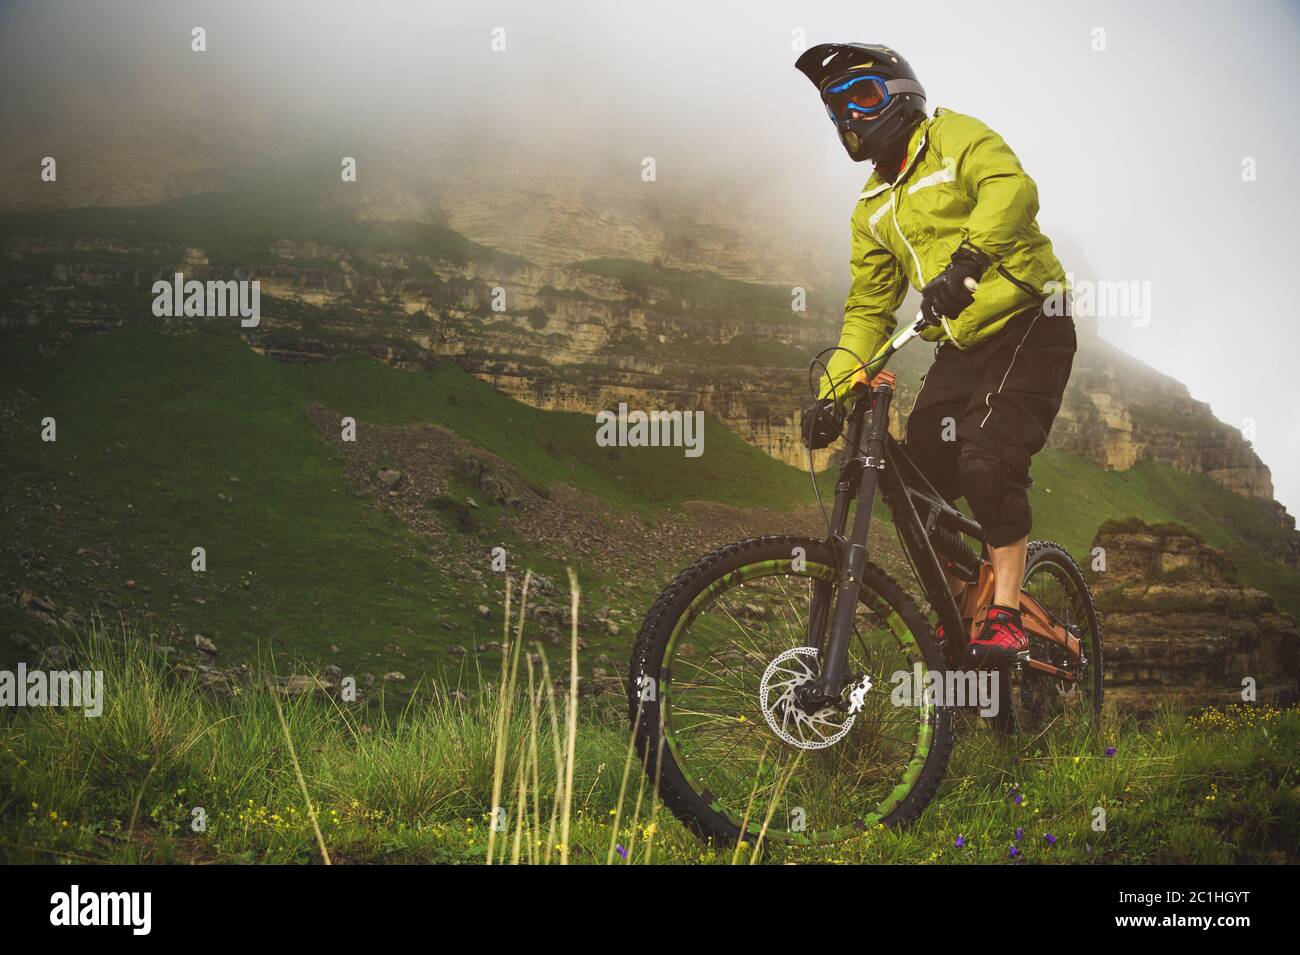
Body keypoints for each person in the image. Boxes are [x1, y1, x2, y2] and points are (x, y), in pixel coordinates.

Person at [795, 42, 1077, 659]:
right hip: (962, 338)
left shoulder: (956, 137)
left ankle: (1003, 612)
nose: (850, 117)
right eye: (834, 109)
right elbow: (869, 311)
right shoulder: (871, 209)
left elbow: (1013, 190)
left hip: (1031, 316)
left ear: (901, 91)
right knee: (917, 480)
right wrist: (832, 396)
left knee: (985, 458)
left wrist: (971, 258)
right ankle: (958, 609)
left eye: (861, 97)